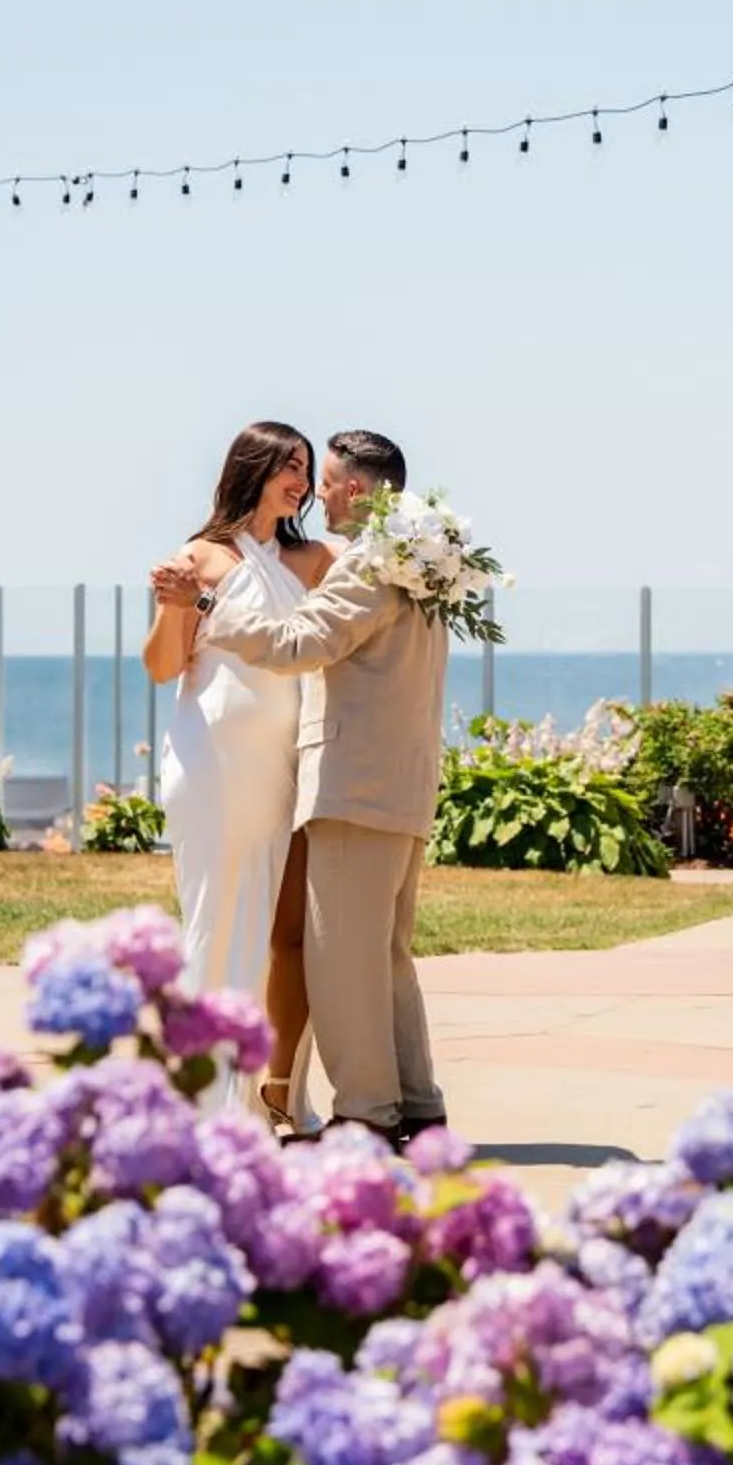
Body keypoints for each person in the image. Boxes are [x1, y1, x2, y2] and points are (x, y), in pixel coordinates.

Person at [174, 429, 450, 1148]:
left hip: (355, 784)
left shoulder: (368, 565)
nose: (318, 493)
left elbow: (300, 645)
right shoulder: (420, 561)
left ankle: (367, 1112)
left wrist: (208, 609)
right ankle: (418, 1106)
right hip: (402, 782)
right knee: (386, 957)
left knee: (344, 961)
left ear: (356, 490)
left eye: (325, 480)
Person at [142, 422, 335, 1118]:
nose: (301, 479)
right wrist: (174, 605)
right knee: (216, 914)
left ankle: (275, 1088)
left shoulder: (315, 560)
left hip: (289, 760)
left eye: (307, 468)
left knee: (286, 930)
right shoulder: (199, 558)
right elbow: (166, 666)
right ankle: (202, 1094)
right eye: (289, 464)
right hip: (213, 758)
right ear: (250, 468)